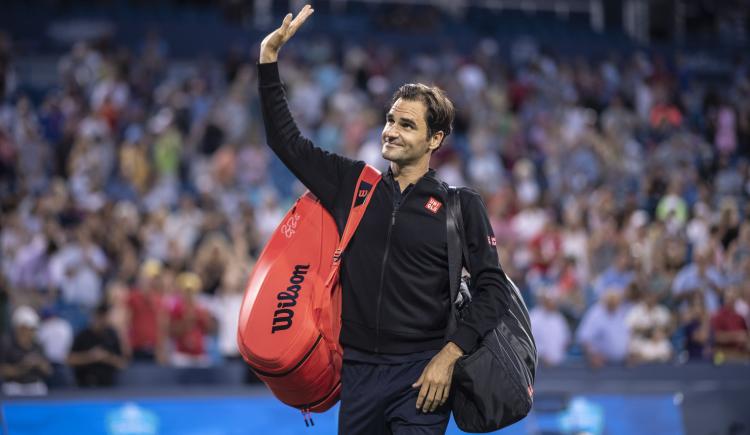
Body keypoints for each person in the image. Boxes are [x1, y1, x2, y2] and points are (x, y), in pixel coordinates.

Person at [257, 6, 508, 434]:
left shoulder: (461, 205)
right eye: (390, 119)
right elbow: (287, 143)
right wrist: (268, 59)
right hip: (358, 375)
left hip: (423, 375)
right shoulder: (354, 185)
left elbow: (493, 289)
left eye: (406, 125)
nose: (390, 130)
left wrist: (449, 356)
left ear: (434, 140)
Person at [67, 304, 127, 387]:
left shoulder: (112, 335)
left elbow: (122, 363)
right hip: (84, 385)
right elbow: (69, 360)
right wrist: (90, 356)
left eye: (104, 316)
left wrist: (106, 357)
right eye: (99, 316)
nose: (101, 320)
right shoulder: (83, 335)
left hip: (108, 387)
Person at [0, 306, 51, 396]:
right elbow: (2, 370)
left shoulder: (37, 345)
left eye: (33, 329)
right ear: (19, 328)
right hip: (13, 385)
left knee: (41, 389)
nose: (32, 332)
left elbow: (48, 370)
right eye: (29, 329)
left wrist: (39, 364)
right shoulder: (6, 344)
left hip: (35, 384)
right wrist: (22, 367)